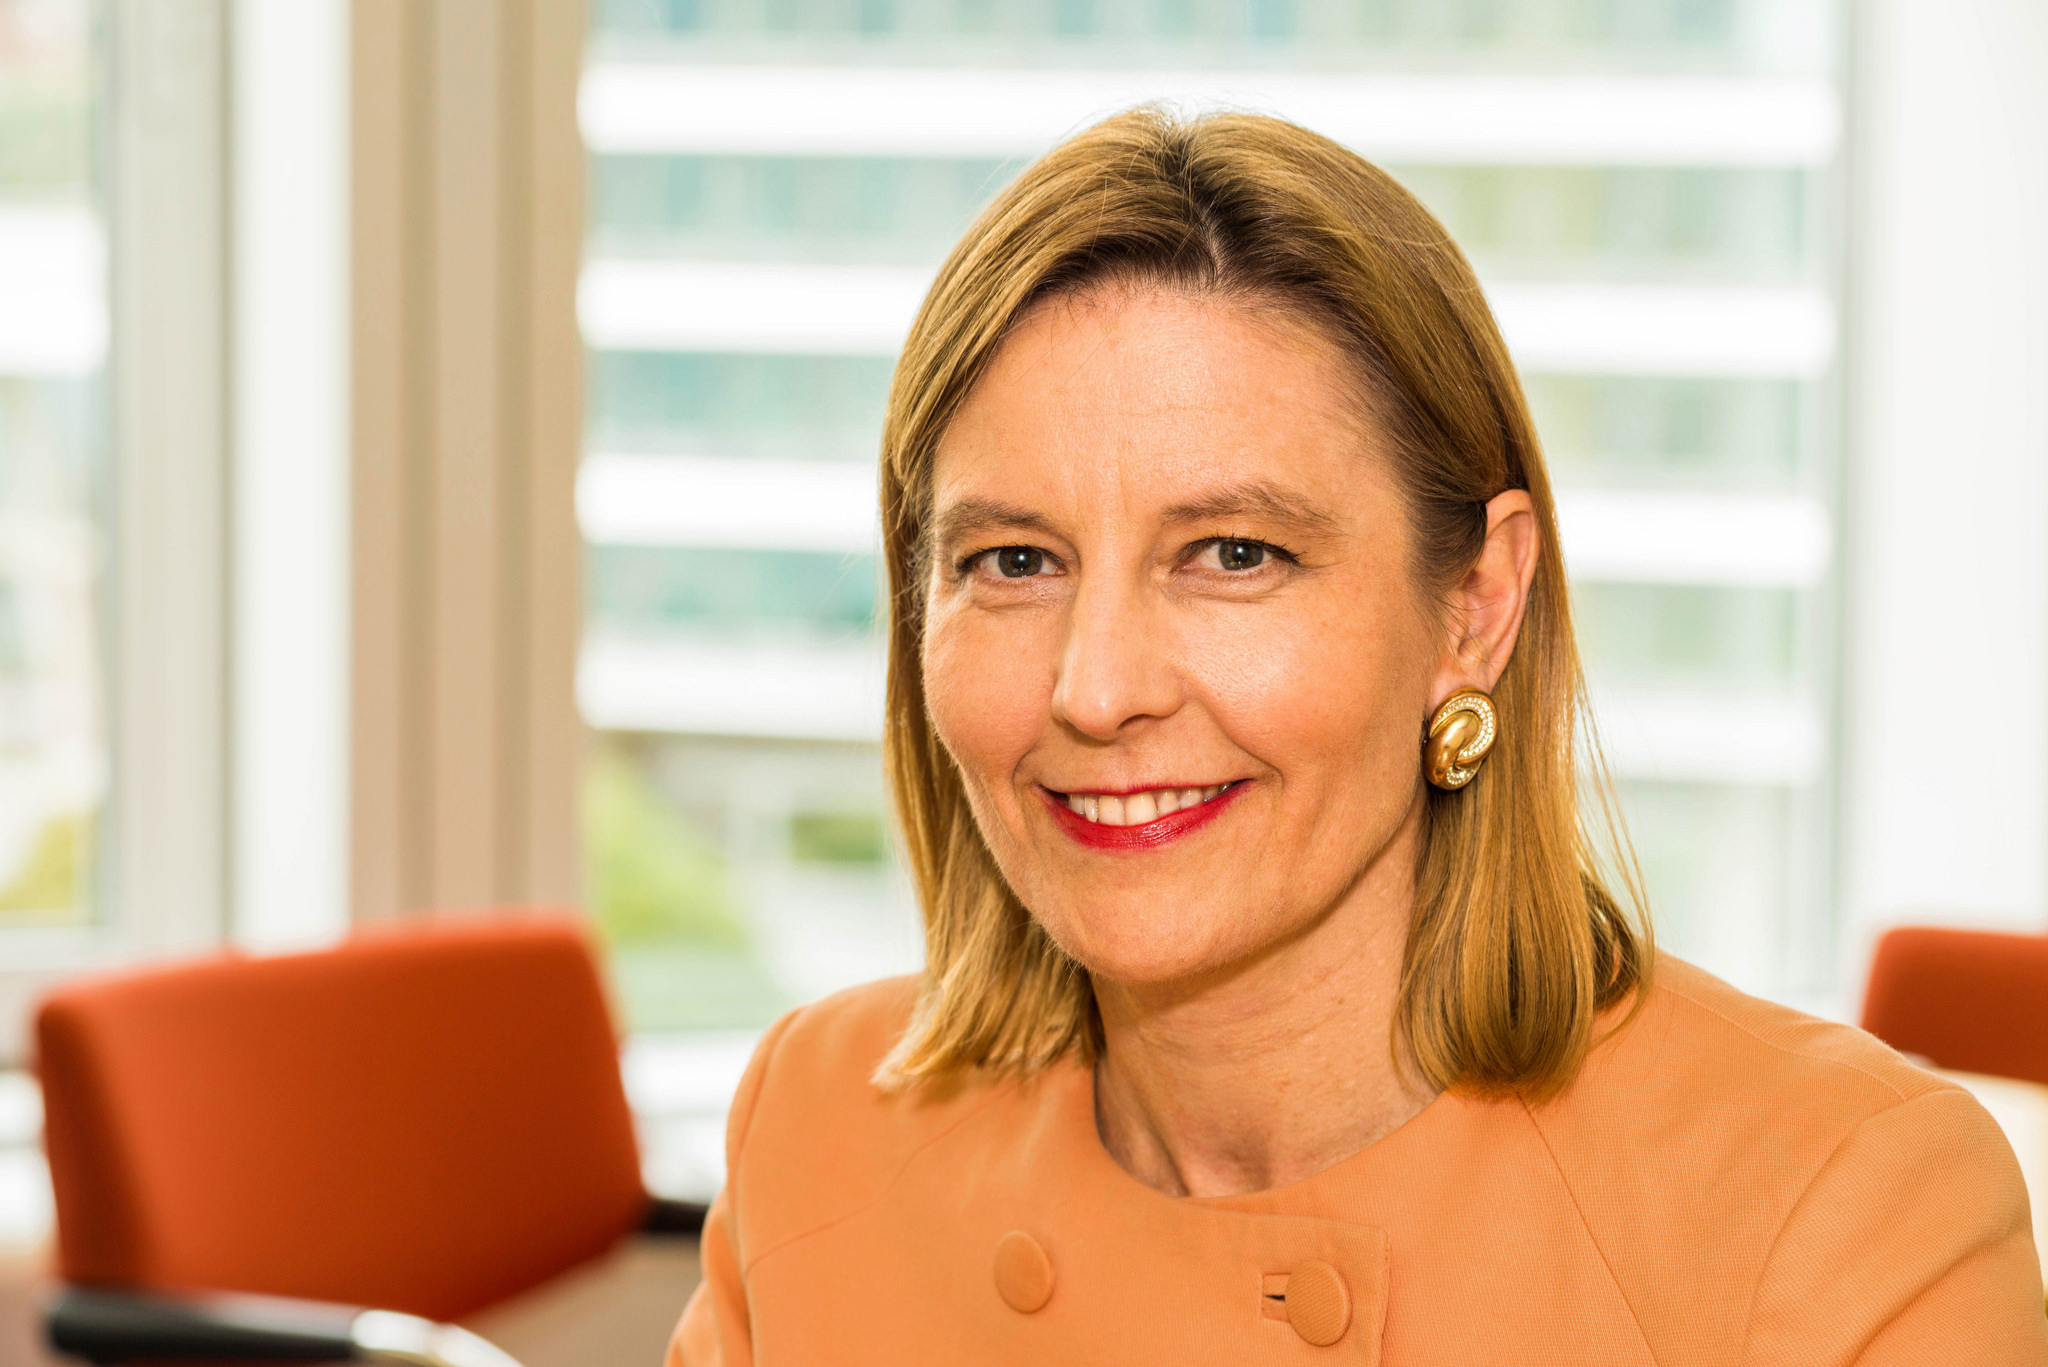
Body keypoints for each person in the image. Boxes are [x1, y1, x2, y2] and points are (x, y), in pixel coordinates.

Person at [666, 109, 2048, 1365]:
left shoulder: (1841, 1219)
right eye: (1014, 562)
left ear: (1475, 606)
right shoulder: (819, 1126)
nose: (1096, 689)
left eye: (1234, 552)